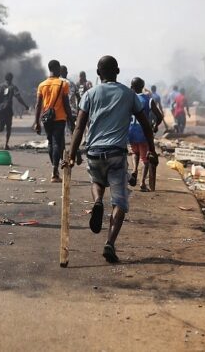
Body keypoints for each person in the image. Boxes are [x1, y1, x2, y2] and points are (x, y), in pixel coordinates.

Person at [67, 56, 157, 264]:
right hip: (117, 153)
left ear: (98, 74)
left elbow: (79, 126)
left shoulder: (90, 94)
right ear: (117, 71)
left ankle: (97, 201)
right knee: (120, 201)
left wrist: (72, 153)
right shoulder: (128, 94)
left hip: (95, 152)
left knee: (97, 181)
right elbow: (145, 123)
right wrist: (151, 149)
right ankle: (110, 243)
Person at [34, 60, 72, 183]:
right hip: (59, 118)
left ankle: (54, 168)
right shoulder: (63, 84)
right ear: (58, 69)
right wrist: (71, 120)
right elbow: (66, 104)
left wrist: (36, 122)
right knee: (57, 143)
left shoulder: (42, 85)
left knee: (51, 142)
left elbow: (38, 105)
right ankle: (55, 171)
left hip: (46, 118)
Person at [129, 77, 163, 192]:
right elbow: (159, 116)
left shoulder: (130, 99)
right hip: (144, 132)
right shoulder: (149, 99)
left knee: (135, 152)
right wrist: (155, 126)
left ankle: (134, 170)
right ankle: (142, 183)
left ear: (132, 87)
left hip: (131, 131)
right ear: (142, 86)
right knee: (145, 159)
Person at [0, 73, 29, 150]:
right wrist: (25, 105)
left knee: (0, 127)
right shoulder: (13, 87)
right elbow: (18, 98)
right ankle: (6, 144)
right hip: (8, 110)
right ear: (11, 78)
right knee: (8, 127)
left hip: (0, 110)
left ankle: (0, 125)